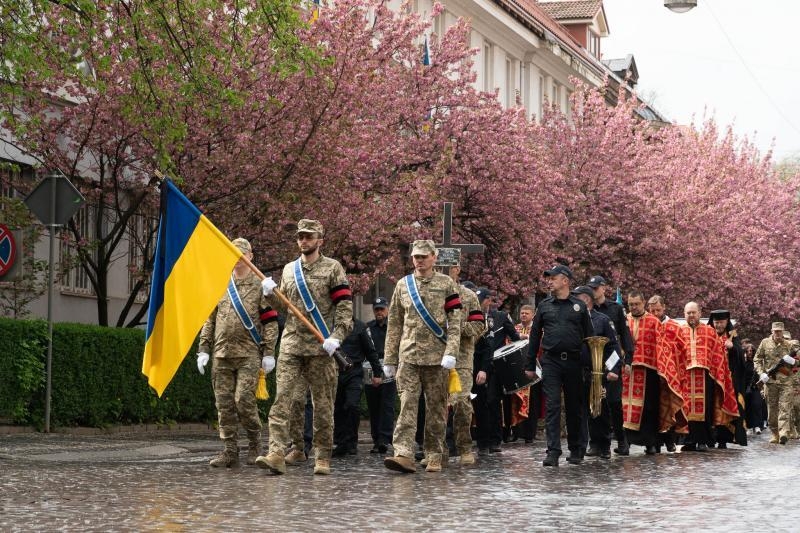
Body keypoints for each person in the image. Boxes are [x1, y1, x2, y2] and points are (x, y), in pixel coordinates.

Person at [256, 219, 353, 476]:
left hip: (321, 348)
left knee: (322, 405)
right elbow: (284, 308)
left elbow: (344, 307)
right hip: (292, 345)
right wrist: (270, 294)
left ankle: (322, 455)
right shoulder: (289, 269)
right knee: (283, 400)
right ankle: (277, 452)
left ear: (320, 240)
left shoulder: (333, 268)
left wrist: (337, 336)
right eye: (300, 236)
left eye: (309, 236)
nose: (303, 241)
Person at [197, 237, 279, 467]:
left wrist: (269, 352)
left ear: (250, 256)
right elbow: (210, 320)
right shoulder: (221, 283)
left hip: (248, 354)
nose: (238, 259)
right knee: (223, 405)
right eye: (233, 254)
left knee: (243, 400)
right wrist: (203, 349)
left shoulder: (260, 285)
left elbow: (270, 322)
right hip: (221, 353)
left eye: (242, 255)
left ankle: (255, 443)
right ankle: (229, 451)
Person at [383, 240, 463, 474]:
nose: (419, 260)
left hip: (437, 358)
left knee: (436, 409)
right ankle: (403, 453)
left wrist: (451, 351)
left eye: (424, 256)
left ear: (434, 257)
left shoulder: (446, 284)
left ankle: (434, 453)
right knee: (407, 405)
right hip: (409, 356)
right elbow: (394, 323)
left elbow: (455, 321)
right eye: (416, 257)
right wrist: (389, 358)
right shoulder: (403, 285)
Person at [525, 264, 594, 466]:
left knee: (574, 407)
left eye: (553, 278)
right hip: (551, 361)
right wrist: (530, 364)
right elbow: (534, 335)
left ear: (565, 280)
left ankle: (575, 448)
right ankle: (553, 451)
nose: (549, 281)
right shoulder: (544, 306)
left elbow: (590, 338)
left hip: (574, 362)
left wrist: (590, 365)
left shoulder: (579, 306)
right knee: (552, 406)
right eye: (549, 278)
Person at [676, 301, 738, 452]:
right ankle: (689, 441)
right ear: (684, 314)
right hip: (685, 376)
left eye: (693, 312)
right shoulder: (679, 331)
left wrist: (718, 374)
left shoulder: (709, 331)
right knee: (686, 408)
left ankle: (702, 441)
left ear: (699, 313)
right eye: (688, 313)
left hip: (705, 376)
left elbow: (717, 353)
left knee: (705, 409)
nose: (691, 315)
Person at [621, 291, 677, 455]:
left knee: (649, 408)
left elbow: (662, 347)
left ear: (643, 303)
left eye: (637, 304)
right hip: (628, 370)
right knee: (625, 407)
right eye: (631, 304)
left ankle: (650, 443)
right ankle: (626, 442)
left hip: (649, 371)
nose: (633, 307)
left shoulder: (654, 322)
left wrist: (665, 370)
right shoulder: (624, 321)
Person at [570, 286, 620, 460]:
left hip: (598, 371)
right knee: (580, 411)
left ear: (586, 299)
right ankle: (587, 445)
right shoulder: (573, 319)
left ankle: (604, 444)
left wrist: (612, 369)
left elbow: (614, 347)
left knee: (600, 409)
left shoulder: (603, 320)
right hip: (578, 371)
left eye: (576, 297)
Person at [587, 275, 634, 456]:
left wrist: (628, 360)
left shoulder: (616, 308)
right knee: (595, 401)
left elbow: (625, 335)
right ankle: (596, 442)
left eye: (596, 288)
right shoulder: (588, 309)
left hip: (612, 359)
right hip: (594, 361)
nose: (593, 291)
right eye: (591, 288)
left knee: (613, 402)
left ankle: (621, 439)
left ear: (604, 288)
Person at [445, 264, 486, 465]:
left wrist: (456, 327)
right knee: (434, 406)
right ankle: (435, 450)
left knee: (461, 403)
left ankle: (464, 447)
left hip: (461, 360)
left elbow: (479, 326)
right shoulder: (426, 294)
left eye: (448, 268)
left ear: (457, 269)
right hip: (432, 357)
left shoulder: (468, 296)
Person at [478, 286, 520, 452]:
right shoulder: (472, 316)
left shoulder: (501, 317)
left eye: (481, 300)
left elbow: (514, 338)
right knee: (479, 402)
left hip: (496, 366)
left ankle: (495, 439)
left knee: (493, 401)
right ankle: (482, 440)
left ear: (489, 300)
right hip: (478, 365)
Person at [333, 316, 382, 456]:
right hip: (335, 372)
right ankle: (340, 442)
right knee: (337, 408)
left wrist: (377, 373)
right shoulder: (330, 324)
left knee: (352, 405)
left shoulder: (360, 327)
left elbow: (370, 351)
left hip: (354, 372)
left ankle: (351, 442)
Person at [649, 294, 685, 452]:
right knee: (653, 408)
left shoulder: (675, 326)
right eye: (652, 311)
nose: (655, 313)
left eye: (658, 310)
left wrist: (667, 351)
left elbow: (682, 349)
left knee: (670, 406)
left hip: (671, 374)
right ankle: (654, 443)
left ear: (664, 307)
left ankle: (670, 441)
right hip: (652, 373)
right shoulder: (648, 324)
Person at [753, 321, 799, 445]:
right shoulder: (765, 343)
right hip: (770, 382)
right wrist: (761, 373)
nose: (778, 333)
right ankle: (775, 433)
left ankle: (784, 432)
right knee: (772, 411)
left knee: (785, 407)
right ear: (772, 331)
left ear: (783, 332)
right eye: (776, 331)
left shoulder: (790, 345)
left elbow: (798, 361)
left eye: (780, 331)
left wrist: (794, 362)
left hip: (786, 382)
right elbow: (757, 359)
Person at [709, 309, 747, 448]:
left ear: (726, 322)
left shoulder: (732, 334)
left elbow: (740, 355)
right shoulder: (707, 333)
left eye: (721, 322)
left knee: (725, 409)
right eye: (716, 322)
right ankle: (709, 438)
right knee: (710, 408)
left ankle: (723, 439)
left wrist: (733, 348)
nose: (718, 325)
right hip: (711, 379)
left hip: (728, 381)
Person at [364, 296, 396, 454]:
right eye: (377, 309)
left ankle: (384, 439)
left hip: (389, 368)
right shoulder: (368, 328)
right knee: (374, 406)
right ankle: (377, 440)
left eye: (382, 309)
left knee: (387, 406)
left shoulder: (394, 327)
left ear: (387, 309)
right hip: (371, 369)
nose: (379, 312)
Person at [512, 304, 540, 443]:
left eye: (526, 313)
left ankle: (529, 434)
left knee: (532, 403)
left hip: (533, 370)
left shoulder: (538, 329)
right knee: (515, 401)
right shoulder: (515, 329)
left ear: (533, 315)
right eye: (522, 313)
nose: (523, 315)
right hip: (517, 370)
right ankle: (516, 432)